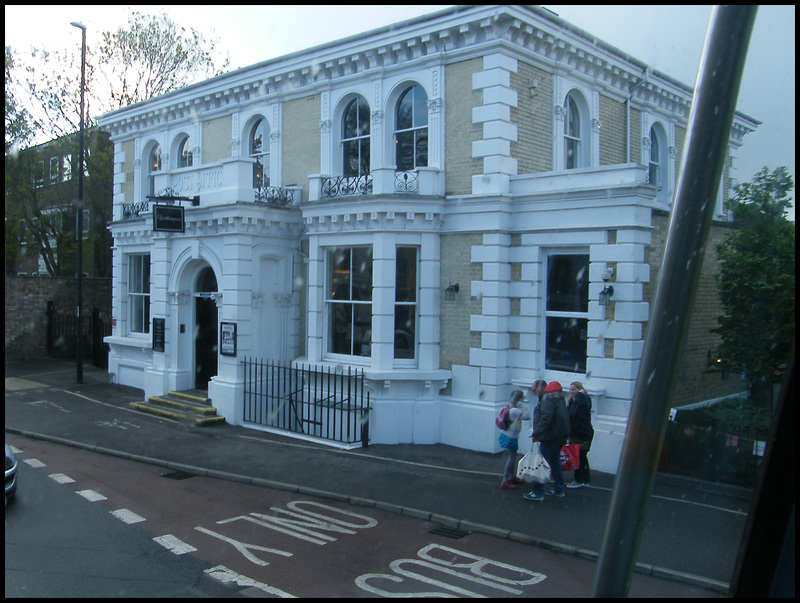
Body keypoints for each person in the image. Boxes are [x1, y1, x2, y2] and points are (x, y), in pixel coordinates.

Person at [524, 381, 570, 501]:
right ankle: (559, 489)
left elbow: (546, 418)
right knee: (555, 463)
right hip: (558, 437)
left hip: (550, 437)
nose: (533, 392)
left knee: (540, 464)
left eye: (534, 389)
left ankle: (538, 492)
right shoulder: (559, 399)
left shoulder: (548, 400)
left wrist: (537, 434)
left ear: (542, 388)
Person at [498, 390, 530, 489]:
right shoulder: (516, 410)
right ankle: (505, 480)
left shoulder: (510, 407)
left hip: (506, 435)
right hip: (511, 437)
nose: (523, 399)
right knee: (512, 458)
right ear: (519, 399)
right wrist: (522, 404)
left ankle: (512, 477)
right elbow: (527, 416)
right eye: (522, 398)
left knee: (513, 455)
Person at [566, 381, 594, 488]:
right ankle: (584, 479)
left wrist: (581, 394)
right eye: (571, 389)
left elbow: (583, 405)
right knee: (578, 457)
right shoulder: (573, 402)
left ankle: (580, 479)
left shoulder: (584, 399)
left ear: (580, 389)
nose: (572, 392)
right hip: (575, 433)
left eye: (574, 389)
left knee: (579, 457)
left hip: (582, 433)